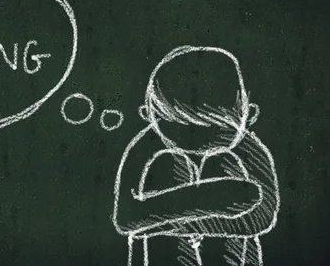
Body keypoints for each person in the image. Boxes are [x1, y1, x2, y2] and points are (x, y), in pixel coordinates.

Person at [113, 46, 280, 266]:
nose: (196, 138)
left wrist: (179, 221)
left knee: (221, 161)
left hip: (232, 255)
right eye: (178, 125)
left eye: (216, 125)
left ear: (249, 117)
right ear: (149, 115)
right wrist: (207, 202)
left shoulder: (249, 149)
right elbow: (125, 219)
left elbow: (263, 216)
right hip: (164, 254)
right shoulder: (145, 146)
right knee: (170, 162)